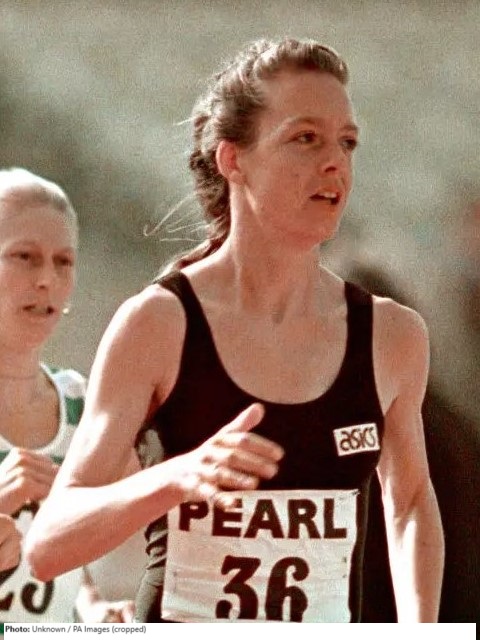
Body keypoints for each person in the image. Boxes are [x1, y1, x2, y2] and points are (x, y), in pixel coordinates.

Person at [26, 38, 444, 623]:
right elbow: (49, 545)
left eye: (347, 142)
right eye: (306, 138)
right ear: (233, 159)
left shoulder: (391, 334)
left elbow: (410, 502)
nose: (335, 163)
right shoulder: (158, 325)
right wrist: (177, 477)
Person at [0, 167, 141, 622]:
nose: (47, 279)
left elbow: (59, 568)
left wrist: (92, 609)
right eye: (24, 256)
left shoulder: (80, 400)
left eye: (63, 261)